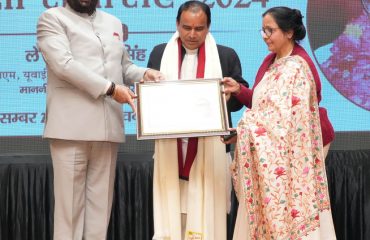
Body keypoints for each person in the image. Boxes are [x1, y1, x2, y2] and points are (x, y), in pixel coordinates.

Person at [36, 0, 163, 239]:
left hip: (108, 128)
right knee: (69, 214)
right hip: (71, 128)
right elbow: (63, 64)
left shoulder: (113, 22)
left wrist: (145, 73)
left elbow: (123, 66)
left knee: (100, 211)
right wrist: (110, 88)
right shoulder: (52, 18)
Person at [222, 7, 337, 240]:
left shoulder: (299, 66)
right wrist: (240, 92)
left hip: (296, 150)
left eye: (270, 30)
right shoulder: (273, 60)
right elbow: (266, 103)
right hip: (271, 147)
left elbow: (290, 117)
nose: (264, 35)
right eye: (263, 30)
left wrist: (246, 129)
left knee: (293, 209)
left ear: (289, 32)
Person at [147, 1, 247, 240]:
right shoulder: (160, 53)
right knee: (174, 220)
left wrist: (230, 95)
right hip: (170, 152)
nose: (192, 34)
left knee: (209, 221)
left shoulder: (225, 55)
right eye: (186, 27)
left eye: (199, 28)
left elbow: (237, 103)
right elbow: (149, 103)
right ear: (177, 25)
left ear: (209, 27)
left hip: (211, 154)